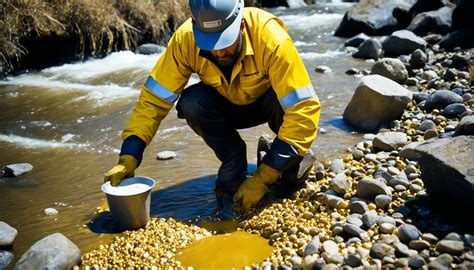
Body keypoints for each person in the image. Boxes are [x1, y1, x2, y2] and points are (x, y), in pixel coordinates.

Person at [104, 0, 321, 212]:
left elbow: (304, 109)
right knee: (191, 103)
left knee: (289, 179)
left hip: (269, 104)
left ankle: (285, 161)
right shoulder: (185, 40)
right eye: (210, 44)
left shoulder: (271, 38)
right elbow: (153, 101)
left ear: (241, 26)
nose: (218, 53)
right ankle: (234, 160)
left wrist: (262, 179)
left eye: (224, 43)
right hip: (226, 107)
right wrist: (129, 155)